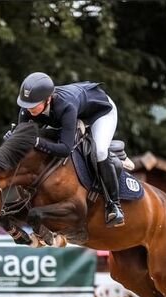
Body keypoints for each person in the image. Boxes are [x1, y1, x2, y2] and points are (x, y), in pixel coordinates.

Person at [15, 72, 124, 228]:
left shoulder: (66, 106)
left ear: (48, 99)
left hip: (100, 112)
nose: (28, 108)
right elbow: (22, 139)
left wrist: (37, 142)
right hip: (73, 113)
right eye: (26, 104)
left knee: (100, 151)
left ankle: (113, 205)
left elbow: (65, 149)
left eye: (33, 104)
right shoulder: (28, 107)